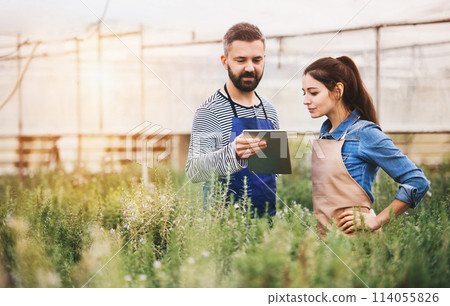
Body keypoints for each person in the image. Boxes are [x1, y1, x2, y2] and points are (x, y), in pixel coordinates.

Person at [301, 56, 430, 236]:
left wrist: (376, 220)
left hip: (357, 247)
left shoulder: (365, 133)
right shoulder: (325, 133)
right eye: (304, 93)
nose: (305, 100)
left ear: (338, 90)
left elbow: (417, 181)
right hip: (327, 246)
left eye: (313, 93)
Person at [185, 22, 280, 217]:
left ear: (264, 60)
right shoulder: (209, 111)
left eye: (256, 60)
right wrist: (233, 154)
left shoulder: (269, 112)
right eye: (240, 60)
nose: (250, 68)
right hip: (224, 229)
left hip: (265, 230)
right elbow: (193, 171)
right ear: (224, 61)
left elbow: (273, 174)